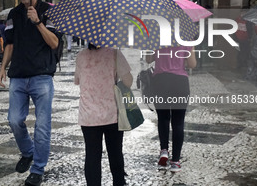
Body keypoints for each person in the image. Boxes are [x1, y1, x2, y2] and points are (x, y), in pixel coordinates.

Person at [0, 0, 59, 186]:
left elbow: (54, 43)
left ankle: (38, 169)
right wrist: (3, 67)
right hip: (18, 76)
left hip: (42, 76)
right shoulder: (13, 14)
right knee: (14, 120)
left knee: (42, 125)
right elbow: (10, 44)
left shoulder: (49, 11)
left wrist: (37, 22)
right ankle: (28, 151)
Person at [74, 44, 132, 186]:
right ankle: (119, 182)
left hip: (88, 116)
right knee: (115, 152)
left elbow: (77, 81)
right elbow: (128, 81)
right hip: (111, 113)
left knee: (92, 156)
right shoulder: (115, 54)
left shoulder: (81, 56)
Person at [146, 46, 196, 172]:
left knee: (163, 118)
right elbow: (192, 64)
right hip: (179, 82)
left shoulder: (156, 36)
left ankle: (164, 150)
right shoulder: (185, 37)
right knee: (178, 123)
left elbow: (148, 59)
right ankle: (175, 162)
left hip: (160, 81)